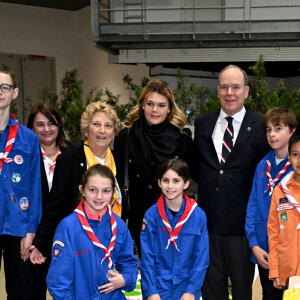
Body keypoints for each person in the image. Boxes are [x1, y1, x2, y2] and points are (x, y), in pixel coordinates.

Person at [194, 64, 270, 300]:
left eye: (236, 87)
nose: (230, 93)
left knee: (242, 292)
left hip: (242, 228)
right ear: (217, 90)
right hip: (209, 225)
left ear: (246, 91)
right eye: (225, 87)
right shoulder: (202, 124)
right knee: (211, 291)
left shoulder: (260, 127)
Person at [30, 101, 121, 265]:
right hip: (78, 247)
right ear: (86, 130)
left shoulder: (120, 162)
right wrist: (40, 243)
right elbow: (55, 207)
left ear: (114, 132)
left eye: (108, 125)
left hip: (113, 245)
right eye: (96, 124)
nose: (102, 130)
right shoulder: (68, 161)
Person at [114, 80, 194, 256]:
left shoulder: (182, 139)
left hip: (173, 216)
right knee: (143, 272)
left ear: (170, 108)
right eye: (150, 104)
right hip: (138, 216)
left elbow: (191, 177)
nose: (154, 110)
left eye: (161, 105)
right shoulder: (126, 137)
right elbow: (118, 179)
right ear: (142, 105)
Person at [47, 164, 138, 299]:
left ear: (114, 192)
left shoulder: (118, 225)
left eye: (106, 191)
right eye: (93, 190)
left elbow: (128, 262)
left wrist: (125, 279)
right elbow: (58, 282)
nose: (99, 197)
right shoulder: (68, 227)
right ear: (82, 190)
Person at [26, 103, 78, 299]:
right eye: (40, 125)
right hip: (34, 235)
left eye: (52, 123)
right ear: (31, 128)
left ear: (59, 125)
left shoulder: (76, 152)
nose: (47, 129)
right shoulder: (25, 156)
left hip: (68, 236)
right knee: (32, 290)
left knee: (69, 291)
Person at [0, 64, 42, 299]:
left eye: (5, 86)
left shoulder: (28, 138)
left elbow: (35, 188)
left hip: (17, 226)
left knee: (18, 290)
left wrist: (30, 231)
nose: (0, 91)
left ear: (14, 92)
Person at [245, 107, 296, 299]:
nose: (272, 134)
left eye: (278, 128)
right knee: (269, 294)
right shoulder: (262, 165)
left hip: (291, 252)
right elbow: (252, 205)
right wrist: (254, 245)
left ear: (292, 130)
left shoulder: (296, 167)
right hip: (265, 251)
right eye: (268, 129)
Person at [140, 159, 209, 300]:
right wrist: (152, 291)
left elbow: (201, 258)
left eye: (176, 181)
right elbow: (147, 257)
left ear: (186, 183)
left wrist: (192, 290)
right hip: (158, 287)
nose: (170, 186)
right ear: (159, 183)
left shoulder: (198, 215)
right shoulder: (151, 216)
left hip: (187, 287)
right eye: (166, 180)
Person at [268, 128, 300, 289]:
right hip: (288, 273)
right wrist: (275, 270)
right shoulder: (280, 191)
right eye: (295, 154)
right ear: (288, 157)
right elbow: (273, 234)